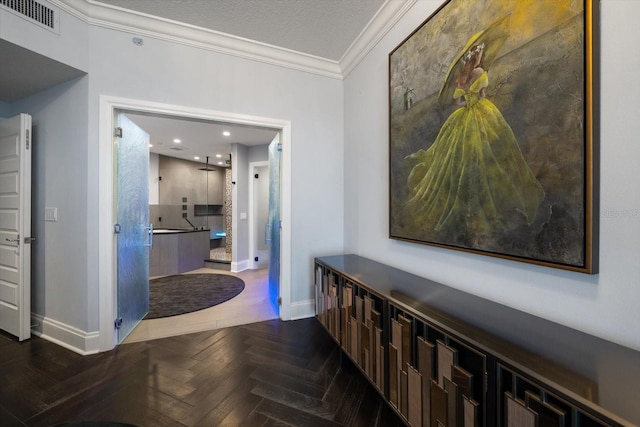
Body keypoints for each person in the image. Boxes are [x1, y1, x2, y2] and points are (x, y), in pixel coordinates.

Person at [405, 42, 544, 247]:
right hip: (480, 112)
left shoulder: (461, 77)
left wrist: (467, 100)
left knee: (457, 154)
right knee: (489, 148)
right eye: (480, 53)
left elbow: (458, 103)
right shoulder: (479, 71)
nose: (481, 56)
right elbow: (482, 95)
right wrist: (480, 96)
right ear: (476, 56)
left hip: (463, 115)